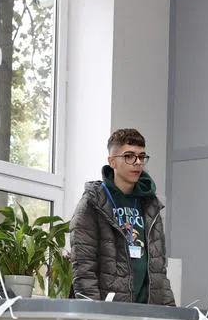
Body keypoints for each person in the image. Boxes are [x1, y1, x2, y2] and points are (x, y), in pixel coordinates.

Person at [69, 128, 175, 305]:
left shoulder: (151, 206)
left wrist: (170, 312)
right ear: (112, 162)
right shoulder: (92, 203)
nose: (137, 162)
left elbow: (158, 270)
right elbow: (84, 268)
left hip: (147, 313)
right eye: (129, 156)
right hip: (108, 313)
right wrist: (93, 314)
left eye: (142, 156)